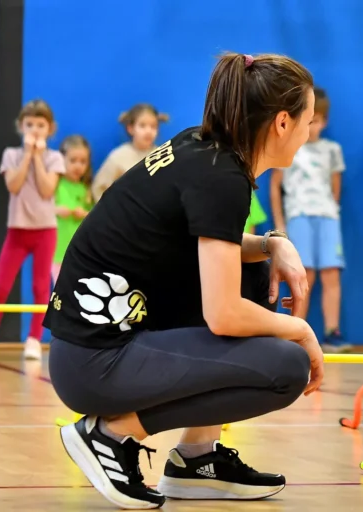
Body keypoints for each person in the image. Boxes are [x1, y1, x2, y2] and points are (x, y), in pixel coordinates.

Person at [47, 52, 324, 509]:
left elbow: (212, 242)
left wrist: (273, 244)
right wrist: (301, 330)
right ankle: (110, 434)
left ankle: (197, 458)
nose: (308, 133)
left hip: (92, 349)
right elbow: (223, 314)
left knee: (251, 267)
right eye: (307, 122)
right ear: (280, 123)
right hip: (95, 363)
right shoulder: (223, 178)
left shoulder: (202, 147)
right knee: (285, 369)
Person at [269, 87, 351, 353]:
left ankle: (332, 331)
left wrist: (331, 210)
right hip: (299, 216)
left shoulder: (332, 150)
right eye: (309, 120)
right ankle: (293, 331)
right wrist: (280, 222)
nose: (313, 126)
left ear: (325, 121)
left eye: (318, 120)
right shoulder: (290, 149)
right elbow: (275, 186)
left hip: (327, 218)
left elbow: (335, 186)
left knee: (330, 274)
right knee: (303, 274)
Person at [0, 99, 65, 360]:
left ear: (50, 129)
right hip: (18, 232)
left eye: (40, 124)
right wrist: (26, 155)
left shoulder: (55, 158)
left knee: (40, 287)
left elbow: (48, 190)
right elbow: (13, 185)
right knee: (1, 286)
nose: (35, 129)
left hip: (45, 231)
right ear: (21, 127)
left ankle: (34, 339)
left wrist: (37, 156)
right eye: (30, 124)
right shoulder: (11, 155)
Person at [90, 103, 168, 202]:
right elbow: (99, 188)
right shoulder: (118, 157)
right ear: (130, 128)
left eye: (153, 126)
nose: (148, 131)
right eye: (142, 126)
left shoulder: (162, 155)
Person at [53, 135, 94, 283]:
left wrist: (84, 214)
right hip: (57, 251)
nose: (78, 166)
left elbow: (95, 217)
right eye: (72, 160)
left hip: (80, 251)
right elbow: (41, 210)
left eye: (83, 161)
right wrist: (56, 210)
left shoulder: (86, 189)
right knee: (59, 287)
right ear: (61, 159)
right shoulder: (55, 184)